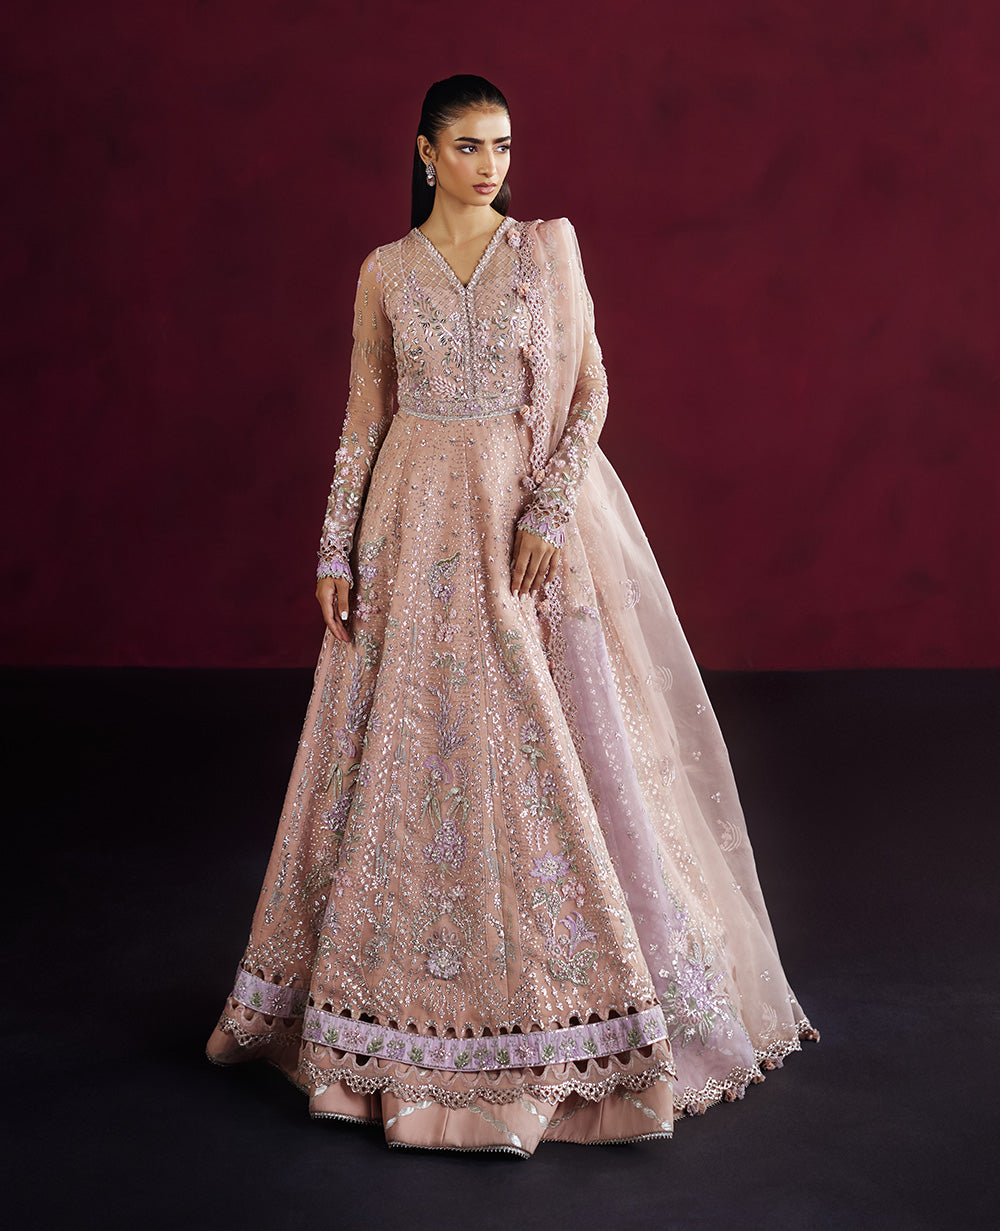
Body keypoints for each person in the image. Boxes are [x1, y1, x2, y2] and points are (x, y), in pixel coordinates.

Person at [205, 73, 818, 1157]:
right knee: (404, 749)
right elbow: (364, 415)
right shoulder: (386, 271)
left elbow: (588, 391)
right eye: (468, 146)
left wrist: (547, 507)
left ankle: (567, 1005)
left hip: (515, 517)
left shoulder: (547, 251)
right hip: (408, 519)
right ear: (424, 153)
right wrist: (334, 546)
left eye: (502, 145)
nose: (491, 166)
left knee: (542, 745)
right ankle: (387, 1014)